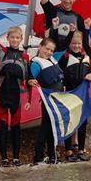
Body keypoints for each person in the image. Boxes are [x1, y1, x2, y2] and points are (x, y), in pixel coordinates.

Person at [0, 11, 31, 167]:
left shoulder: (24, 57)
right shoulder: (3, 52)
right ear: (8, 38)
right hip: (3, 95)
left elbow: (28, 78)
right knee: (3, 127)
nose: (15, 40)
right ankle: (4, 158)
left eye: (17, 38)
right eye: (12, 37)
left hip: (16, 96)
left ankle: (16, 157)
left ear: (21, 39)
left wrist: (29, 99)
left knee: (16, 127)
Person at [58, 28, 91, 162]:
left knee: (82, 121)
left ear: (82, 44)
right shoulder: (65, 57)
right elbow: (59, 73)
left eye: (79, 43)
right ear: (69, 43)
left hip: (83, 95)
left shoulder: (87, 58)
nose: (76, 46)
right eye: (73, 43)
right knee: (69, 121)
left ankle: (81, 149)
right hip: (69, 94)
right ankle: (68, 149)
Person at [28, 36, 64, 164]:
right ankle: (38, 157)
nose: (49, 52)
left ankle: (52, 156)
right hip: (48, 101)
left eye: (51, 50)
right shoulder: (36, 63)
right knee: (45, 127)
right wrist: (29, 81)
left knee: (51, 128)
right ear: (40, 46)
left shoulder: (52, 59)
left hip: (57, 100)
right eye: (47, 49)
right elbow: (29, 77)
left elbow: (64, 44)